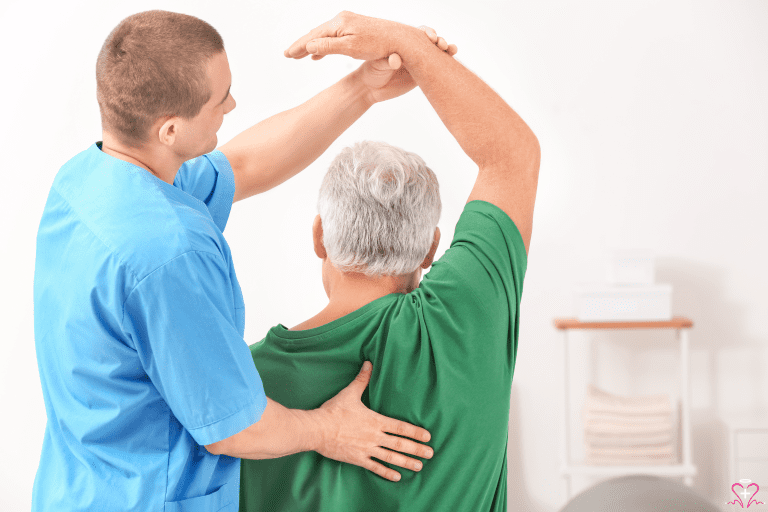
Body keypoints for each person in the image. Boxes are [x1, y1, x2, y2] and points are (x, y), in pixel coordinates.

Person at [32, 10, 458, 512]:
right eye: (221, 99)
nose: (232, 104)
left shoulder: (91, 178)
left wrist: (365, 86)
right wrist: (329, 429)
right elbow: (235, 428)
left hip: (78, 485)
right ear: (169, 129)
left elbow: (243, 164)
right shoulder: (167, 253)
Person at [239, 11, 541, 512]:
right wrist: (412, 47)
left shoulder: (242, 387)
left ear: (320, 236)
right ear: (430, 248)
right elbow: (511, 155)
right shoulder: (467, 319)